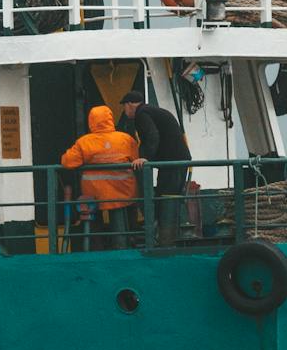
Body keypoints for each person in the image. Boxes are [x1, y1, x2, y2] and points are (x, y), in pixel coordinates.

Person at [60, 105, 144, 250]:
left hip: (95, 194)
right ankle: (125, 248)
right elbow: (137, 158)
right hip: (124, 193)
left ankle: (96, 253)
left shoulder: (84, 142)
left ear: (91, 121)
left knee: (94, 226)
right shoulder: (125, 139)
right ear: (110, 119)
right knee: (124, 226)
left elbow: (67, 162)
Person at [120, 89, 194, 246]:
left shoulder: (142, 114)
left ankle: (166, 242)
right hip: (175, 160)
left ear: (130, 105)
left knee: (167, 197)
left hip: (172, 162)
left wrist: (145, 158)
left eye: (124, 107)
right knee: (167, 196)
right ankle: (166, 238)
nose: (124, 111)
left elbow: (152, 135)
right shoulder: (152, 110)